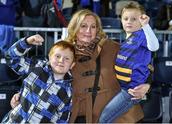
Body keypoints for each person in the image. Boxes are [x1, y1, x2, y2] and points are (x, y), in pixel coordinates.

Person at [10, 9, 154, 123]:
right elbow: (45, 77)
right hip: (78, 118)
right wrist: (24, 95)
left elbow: (143, 64)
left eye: (93, 27)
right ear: (74, 27)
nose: (88, 31)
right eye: (83, 26)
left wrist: (146, 85)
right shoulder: (64, 52)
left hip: (119, 118)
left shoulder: (113, 47)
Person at [98, 2, 159, 123]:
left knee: (103, 119)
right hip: (121, 88)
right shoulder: (128, 39)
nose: (129, 21)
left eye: (134, 19)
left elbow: (154, 46)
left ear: (141, 21)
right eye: (126, 18)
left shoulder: (142, 35)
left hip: (130, 91)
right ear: (121, 20)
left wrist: (146, 26)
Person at [1, 34, 75, 123]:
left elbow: (61, 120)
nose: (61, 61)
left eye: (67, 58)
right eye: (57, 56)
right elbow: (11, 58)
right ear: (49, 57)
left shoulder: (67, 93)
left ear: (72, 65)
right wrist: (26, 42)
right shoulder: (37, 67)